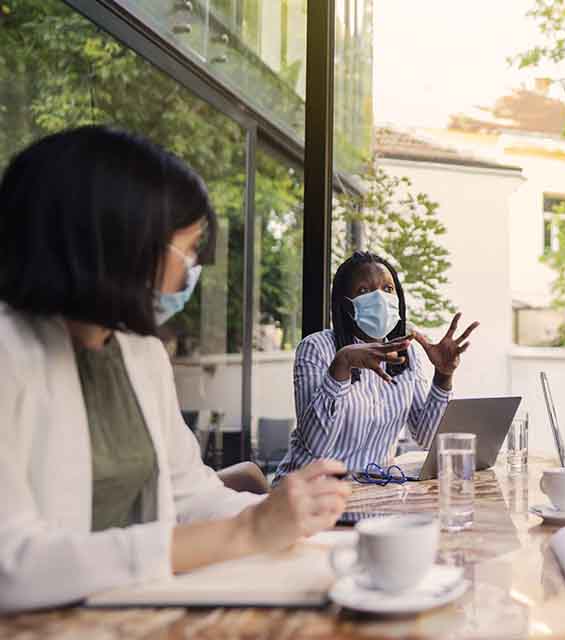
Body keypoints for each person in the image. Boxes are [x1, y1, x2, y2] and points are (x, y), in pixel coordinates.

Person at [0, 126, 352, 613]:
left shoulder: (138, 354)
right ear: (120, 245)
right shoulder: (10, 354)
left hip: (130, 623)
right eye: (187, 249)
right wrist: (245, 531)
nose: (192, 269)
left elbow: (191, 494)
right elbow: (13, 565)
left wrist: (284, 514)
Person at [270, 252, 477, 484]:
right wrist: (342, 365)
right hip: (307, 494)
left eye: (388, 289)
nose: (380, 297)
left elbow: (427, 437)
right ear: (345, 305)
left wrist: (443, 375)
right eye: (363, 290)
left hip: (371, 495)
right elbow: (316, 444)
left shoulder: (405, 352)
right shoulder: (316, 348)